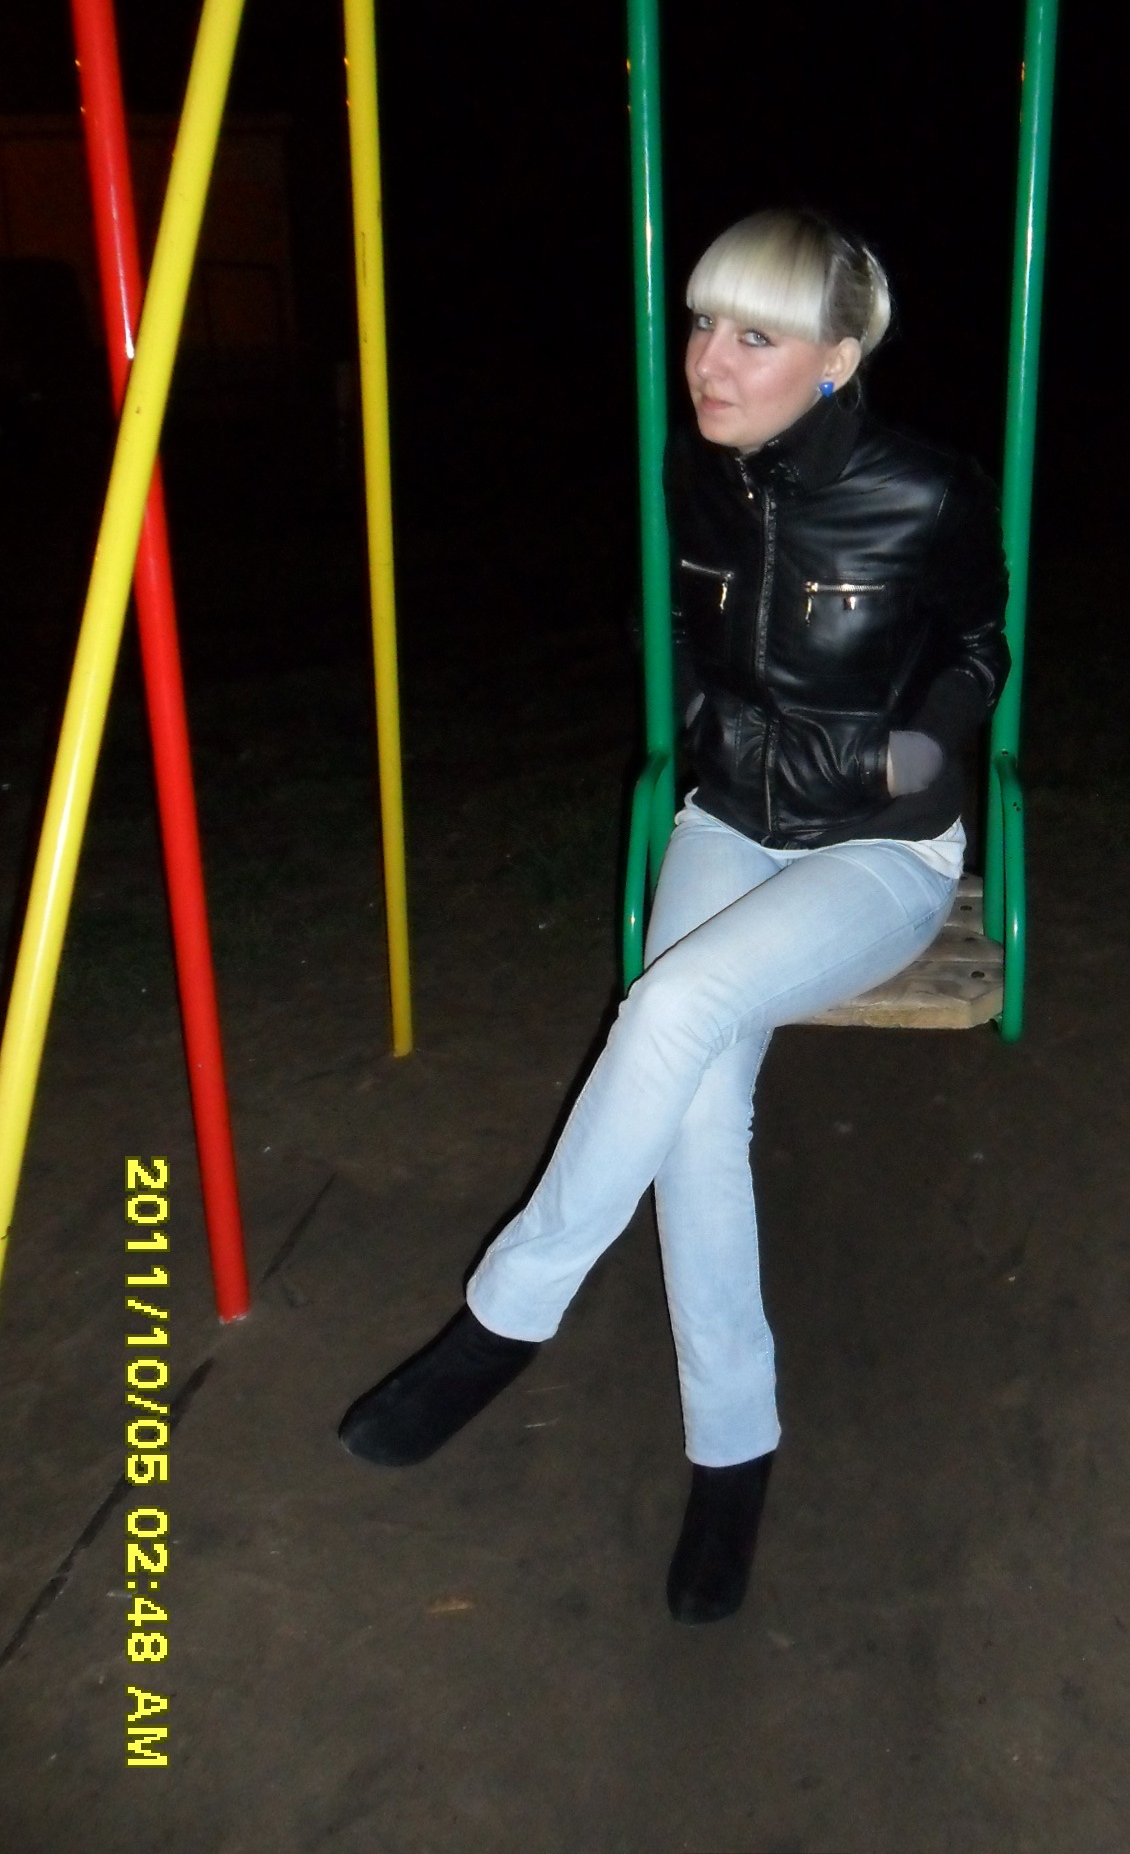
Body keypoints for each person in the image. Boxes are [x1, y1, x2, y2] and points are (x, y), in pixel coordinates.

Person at [338, 208, 1010, 1624]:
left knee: (679, 1002)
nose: (708, 361)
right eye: (703, 324)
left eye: (754, 336)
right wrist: (712, 733)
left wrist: (913, 756)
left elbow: (975, 639)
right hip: (728, 821)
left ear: (836, 360)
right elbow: (702, 645)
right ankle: (732, 1454)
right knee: (699, 1107)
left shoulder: (926, 490)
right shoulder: (698, 472)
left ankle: (502, 1321)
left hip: (878, 855)